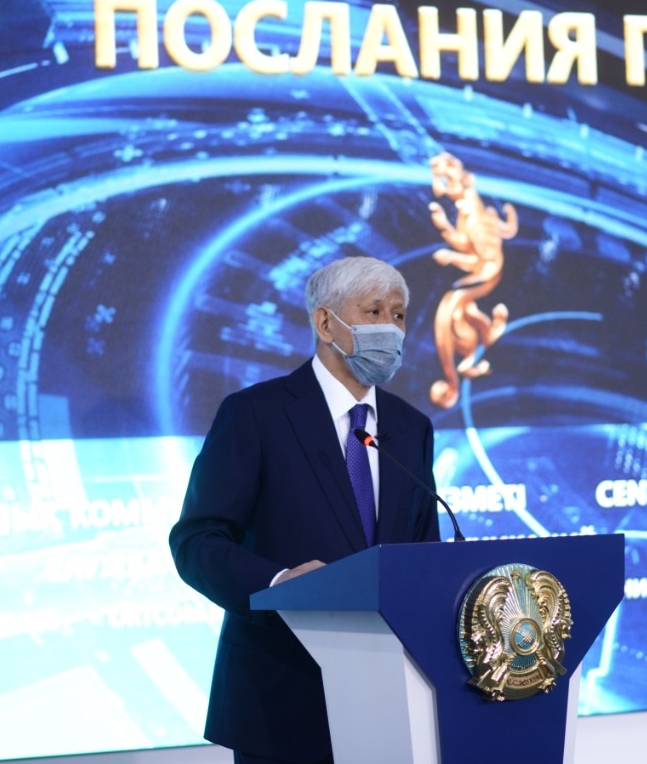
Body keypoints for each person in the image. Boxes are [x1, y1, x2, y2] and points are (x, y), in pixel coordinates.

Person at [169, 256, 442, 764]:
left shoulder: (411, 428)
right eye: (374, 312)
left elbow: (425, 555)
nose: (390, 328)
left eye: (399, 315)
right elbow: (197, 541)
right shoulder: (256, 414)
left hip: (394, 702)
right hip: (283, 694)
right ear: (324, 323)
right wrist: (278, 584)